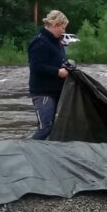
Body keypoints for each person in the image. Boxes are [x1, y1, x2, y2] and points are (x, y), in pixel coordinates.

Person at [28, 10, 70, 140]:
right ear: (55, 25)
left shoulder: (57, 42)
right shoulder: (39, 42)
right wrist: (58, 72)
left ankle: (45, 154)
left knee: (55, 127)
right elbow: (36, 66)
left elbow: (59, 61)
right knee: (46, 127)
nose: (63, 31)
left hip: (56, 90)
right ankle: (26, 150)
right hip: (43, 92)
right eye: (62, 28)